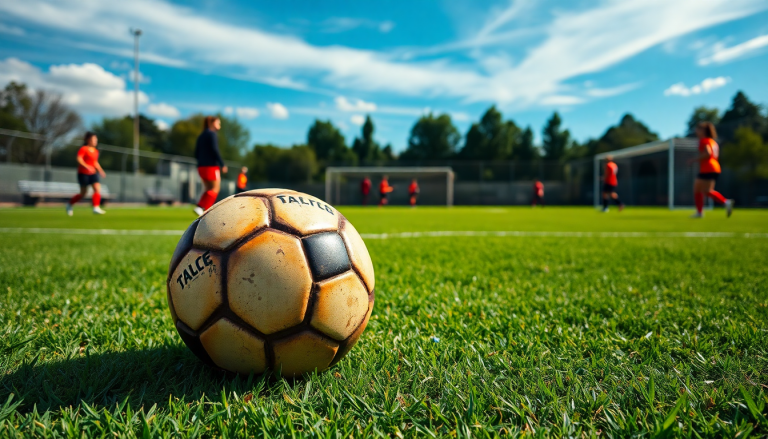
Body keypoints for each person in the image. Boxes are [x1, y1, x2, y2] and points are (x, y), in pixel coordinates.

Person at [691, 122, 733, 218]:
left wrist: (694, 159)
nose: (696, 131)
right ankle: (726, 202)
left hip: (707, 168)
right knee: (707, 191)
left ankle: (699, 212)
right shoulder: (713, 142)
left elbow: (708, 153)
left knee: (697, 190)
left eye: (698, 129)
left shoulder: (704, 140)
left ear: (703, 131)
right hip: (715, 168)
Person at [194, 116, 227, 216]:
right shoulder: (212, 134)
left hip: (201, 167)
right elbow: (215, 150)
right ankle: (204, 210)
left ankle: (200, 207)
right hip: (211, 167)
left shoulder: (201, 135)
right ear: (212, 123)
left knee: (208, 189)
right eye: (218, 123)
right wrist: (222, 164)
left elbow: (196, 152)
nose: (219, 126)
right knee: (215, 189)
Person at [66, 132, 106, 215]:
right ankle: (69, 204)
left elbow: (95, 162)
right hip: (83, 173)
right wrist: (86, 166)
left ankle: (96, 207)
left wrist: (101, 170)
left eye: (96, 139)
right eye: (93, 139)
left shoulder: (96, 151)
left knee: (97, 188)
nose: (95, 141)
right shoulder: (83, 149)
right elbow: (79, 159)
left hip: (93, 173)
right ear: (88, 140)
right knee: (83, 193)